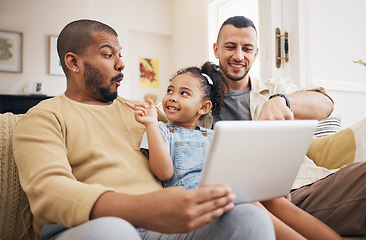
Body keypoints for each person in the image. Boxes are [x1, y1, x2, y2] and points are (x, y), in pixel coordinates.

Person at [12, 19, 276, 240]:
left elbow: (192, 125)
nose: (121, 64)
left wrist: (277, 101)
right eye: (108, 54)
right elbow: (50, 191)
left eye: (120, 54)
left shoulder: (141, 109)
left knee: (249, 218)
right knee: (115, 230)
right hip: (92, 227)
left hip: (159, 227)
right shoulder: (43, 118)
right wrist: (142, 207)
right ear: (73, 62)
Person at [127, 61, 342, 240]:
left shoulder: (213, 134)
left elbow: (242, 169)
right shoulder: (161, 130)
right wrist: (152, 125)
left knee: (273, 199)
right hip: (195, 198)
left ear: (204, 108)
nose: (173, 97)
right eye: (170, 91)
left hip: (228, 190)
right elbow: (164, 172)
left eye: (184, 93)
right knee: (246, 200)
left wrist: (271, 185)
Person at [198, 15, 366, 236]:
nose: (239, 55)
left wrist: (282, 100)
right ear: (216, 49)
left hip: (303, 189)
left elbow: (325, 103)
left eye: (247, 48)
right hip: (242, 201)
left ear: (256, 53)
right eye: (231, 47)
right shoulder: (197, 100)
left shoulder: (276, 87)